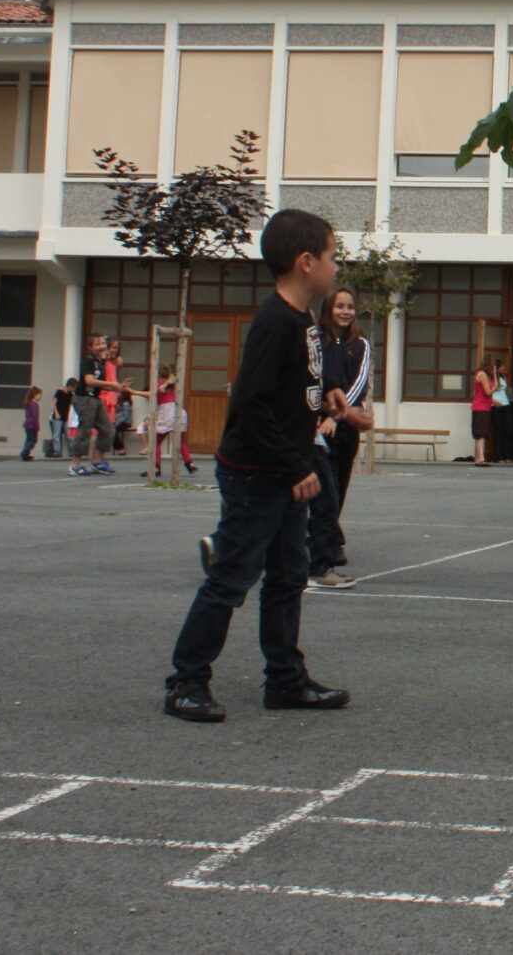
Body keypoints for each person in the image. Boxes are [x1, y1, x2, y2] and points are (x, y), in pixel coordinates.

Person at [163, 208, 351, 724]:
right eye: (332, 256)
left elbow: (294, 383)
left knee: (288, 578)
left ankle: (285, 680)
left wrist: (327, 393)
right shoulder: (274, 322)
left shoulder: (304, 319)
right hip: (256, 474)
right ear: (306, 262)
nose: (337, 266)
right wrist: (294, 467)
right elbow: (252, 404)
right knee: (230, 578)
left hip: (284, 471)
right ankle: (186, 681)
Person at [318, 287, 372, 542]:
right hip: (317, 426)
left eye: (350, 307)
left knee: (339, 485)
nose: (345, 311)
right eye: (340, 306)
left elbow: (359, 384)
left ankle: (328, 538)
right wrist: (325, 415)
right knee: (322, 487)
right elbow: (312, 380)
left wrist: (337, 416)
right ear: (329, 309)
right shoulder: (316, 342)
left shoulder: (361, 344)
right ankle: (326, 537)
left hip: (346, 427)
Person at [68, 331, 117, 476]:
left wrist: (118, 387)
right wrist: (112, 384)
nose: (102, 346)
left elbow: (100, 385)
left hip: (95, 398)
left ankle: (97, 461)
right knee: (85, 430)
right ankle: (75, 465)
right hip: (84, 399)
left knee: (108, 429)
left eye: (103, 343)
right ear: (90, 347)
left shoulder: (101, 363)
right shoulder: (88, 362)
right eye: (97, 344)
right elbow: (89, 381)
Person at [147, 363, 198, 479]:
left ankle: (156, 467)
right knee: (181, 441)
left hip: (166, 412)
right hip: (178, 411)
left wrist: (133, 392)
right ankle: (189, 463)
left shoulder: (160, 385)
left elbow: (157, 392)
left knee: (156, 441)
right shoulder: (172, 385)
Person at [470, 352, 500, 466]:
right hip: (481, 407)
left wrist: (495, 374)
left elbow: (476, 392)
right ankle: (481, 458)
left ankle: (478, 458)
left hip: (482, 406)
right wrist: (494, 389)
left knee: (480, 433)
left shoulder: (482, 374)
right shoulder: (482, 374)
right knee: (481, 434)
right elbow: (488, 392)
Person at [50, 378, 74, 459]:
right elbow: (54, 402)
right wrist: (56, 412)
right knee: (57, 434)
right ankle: (57, 451)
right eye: (73, 387)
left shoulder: (70, 394)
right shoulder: (59, 392)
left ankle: (72, 451)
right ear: (70, 386)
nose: (73, 389)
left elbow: (70, 405)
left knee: (68, 434)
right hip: (58, 416)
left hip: (66, 416)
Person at [19, 385, 43, 462]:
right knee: (33, 440)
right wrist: (37, 426)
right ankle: (24, 452)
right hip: (32, 425)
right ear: (35, 395)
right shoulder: (34, 404)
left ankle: (26, 454)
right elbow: (35, 416)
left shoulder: (29, 403)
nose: (40, 397)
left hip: (27, 424)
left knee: (29, 439)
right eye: (39, 395)